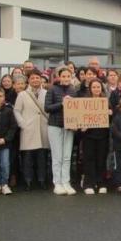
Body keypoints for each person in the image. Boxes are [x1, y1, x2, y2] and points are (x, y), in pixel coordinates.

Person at [14, 70, 50, 191]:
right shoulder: (22, 94)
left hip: (43, 128)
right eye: (33, 78)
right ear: (28, 80)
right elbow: (17, 111)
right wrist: (22, 124)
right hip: (28, 129)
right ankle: (28, 180)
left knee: (42, 157)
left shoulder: (47, 93)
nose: (35, 80)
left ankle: (42, 180)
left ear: (41, 79)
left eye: (37, 78)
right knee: (27, 157)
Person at [44, 66, 77, 195]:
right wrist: (62, 103)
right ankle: (57, 183)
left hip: (69, 126)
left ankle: (66, 182)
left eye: (68, 76)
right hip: (55, 125)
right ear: (59, 77)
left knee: (67, 156)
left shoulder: (73, 90)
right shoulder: (52, 89)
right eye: (63, 76)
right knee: (57, 156)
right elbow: (47, 108)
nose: (66, 79)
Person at [80, 79, 110, 195]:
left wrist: (110, 113)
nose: (96, 89)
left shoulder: (105, 101)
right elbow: (80, 118)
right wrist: (82, 126)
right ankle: (89, 184)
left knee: (101, 159)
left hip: (103, 135)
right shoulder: (85, 102)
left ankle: (101, 183)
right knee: (89, 159)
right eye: (94, 87)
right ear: (90, 89)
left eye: (98, 87)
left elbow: (111, 120)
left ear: (101, 88)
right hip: (89, 136)